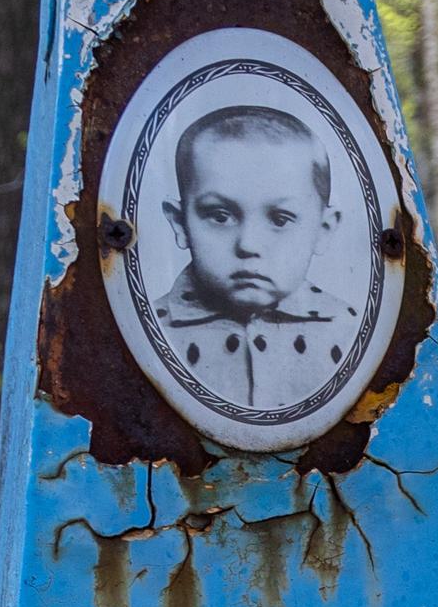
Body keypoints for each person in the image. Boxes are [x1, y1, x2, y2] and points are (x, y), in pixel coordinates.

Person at [148, 103, 347, 408]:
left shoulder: (351, 332)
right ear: (180, 223)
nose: (249, 245)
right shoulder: (146, 332)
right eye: (220, 215)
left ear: (323, 229)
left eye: (280, 219)